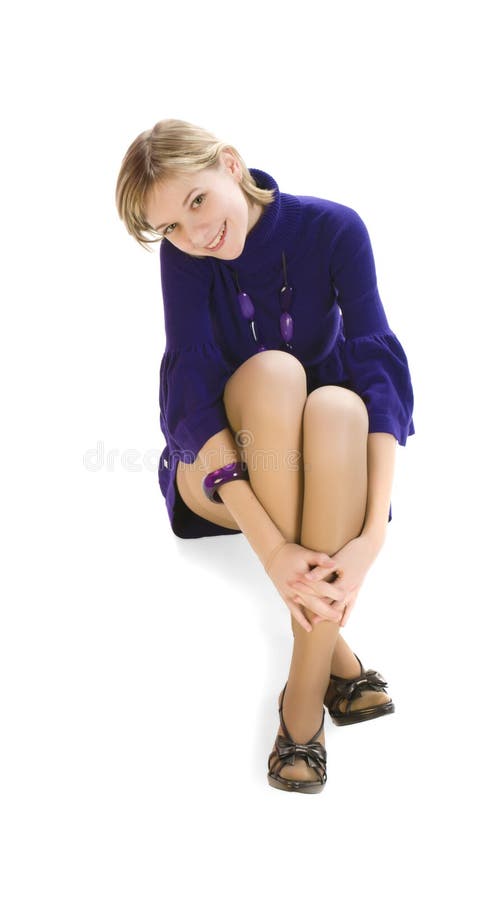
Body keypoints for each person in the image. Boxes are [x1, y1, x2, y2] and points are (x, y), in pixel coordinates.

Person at [115, 118, 416, 793]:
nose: (195, 236)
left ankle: (313, 683)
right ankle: (308, 705)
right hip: (218, 474)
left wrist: (372, 536)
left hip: (319, 461)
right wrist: (273, 550)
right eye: (169, 228)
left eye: (197, 201)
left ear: (230, 163)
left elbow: (378, 371)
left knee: (339, 404)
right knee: (278, 372)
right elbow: (192, 397)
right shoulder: (186, 261)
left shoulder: (335, 230)